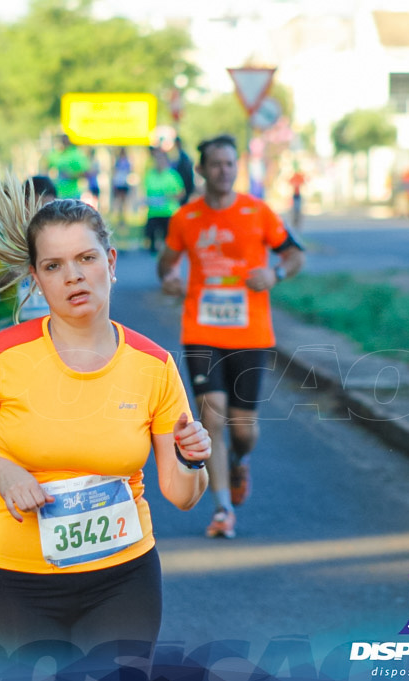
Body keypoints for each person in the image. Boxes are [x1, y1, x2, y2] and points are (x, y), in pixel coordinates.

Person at [0, 177, 211, 666]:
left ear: (111, 262)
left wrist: (191, 460)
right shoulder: (3, 354)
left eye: (86, 258)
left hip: (124, 578)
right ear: (37, 280)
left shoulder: (154, 364)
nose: (73, 276)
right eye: (53, 266)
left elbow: (182, 496)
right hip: (18, 580)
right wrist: (3, 471)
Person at [158, 134, 305, 539]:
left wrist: (274, 274)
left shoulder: (257, 212)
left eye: (229, 163)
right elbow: (166, 262)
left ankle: (241, 459)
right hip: (201, 330)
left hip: (251, 333)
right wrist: (169, 278)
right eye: (216, 164)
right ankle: (223, 510)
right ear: (201, 169)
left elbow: (294, 254)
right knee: (213, 415)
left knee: (244, 427)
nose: (223, 171)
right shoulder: (186, 218)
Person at [0, 176, 56, 333]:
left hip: (51, 337)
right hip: (8, 332)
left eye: (48, 210)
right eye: (36, 208)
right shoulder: (1, 239)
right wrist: (10, 277)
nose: (42, 217)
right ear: (22, 204)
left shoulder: (64, 240)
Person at [142, 147, 185, 253]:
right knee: (150, 238)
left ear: (166, 161)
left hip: (168, 212)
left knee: (169, 241)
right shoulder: (149, 176)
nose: (159, 162)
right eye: (157, 160)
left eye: (161, 160)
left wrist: (169, 197)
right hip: (153, 212)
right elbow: (145, 193)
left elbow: (181, 194)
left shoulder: (172, 176)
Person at [47, 134, 89, 200]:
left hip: (73, 193)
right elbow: (47, 169)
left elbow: (86, 173)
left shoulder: (76, 154)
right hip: (58, 193)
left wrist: (71, 176)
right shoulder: (55, 154)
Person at [111, 147, 132, 227]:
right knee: (119, 201)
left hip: (124, 183)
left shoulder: (127, 161)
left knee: (123, 202)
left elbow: (129, 171)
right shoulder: (118, 161)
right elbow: (115, 172)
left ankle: (123, 218)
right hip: (118, 183)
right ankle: (119, 217)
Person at [173, 137, 196, 206]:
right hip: (180, 185)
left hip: (184, 185)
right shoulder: (176, 156)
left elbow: (188, 173)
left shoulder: (183, 157)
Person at [288, 163, 306, 230]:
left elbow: (303, 183)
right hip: (294, 195)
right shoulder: (293, 177)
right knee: (294, 210)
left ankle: (298, 223)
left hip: (299, 195)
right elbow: (290, 183)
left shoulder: (300, 177)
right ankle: (294, 223)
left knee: (298, 210)